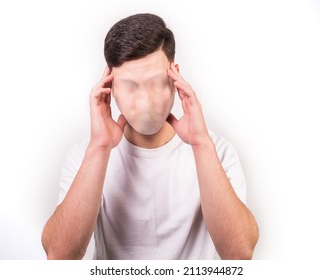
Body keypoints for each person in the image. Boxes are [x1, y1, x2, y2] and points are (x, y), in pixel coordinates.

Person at [41, 13, 259, 260]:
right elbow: (59, 257)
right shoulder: (87, 155)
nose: (145, 102)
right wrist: (100, 147)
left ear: (175, 77)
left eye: (157, 83)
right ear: (110, 87)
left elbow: (240, 254)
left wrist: (200, 143)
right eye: (130, 86)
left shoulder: (216, 150)